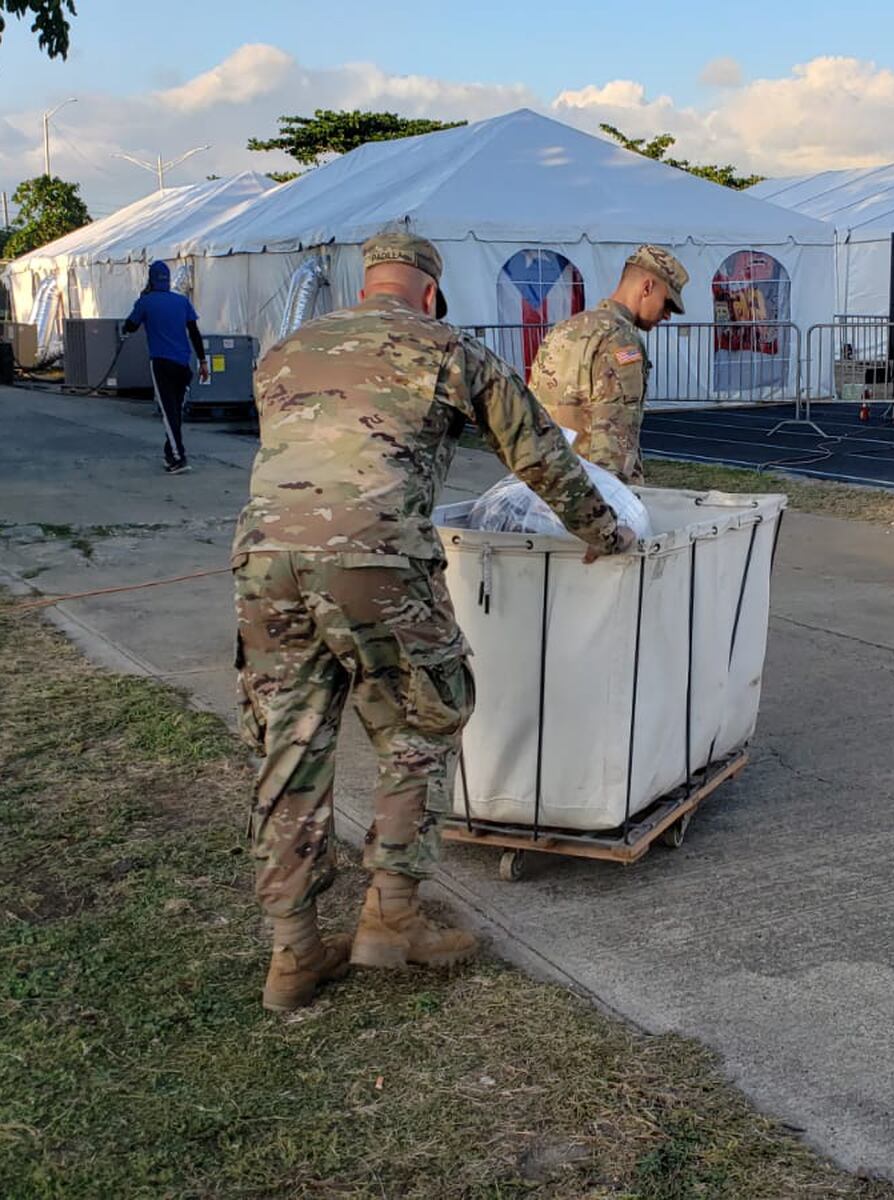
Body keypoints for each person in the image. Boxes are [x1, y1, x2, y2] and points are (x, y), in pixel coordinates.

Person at [232, 231, 635, 1012]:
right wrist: (606, 531)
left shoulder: (286, 349)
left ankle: (294, 953)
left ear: (366, 284)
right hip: (374, 557)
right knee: (425, 717)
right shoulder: (448, 347)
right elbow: (541, 455)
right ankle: (392, 917)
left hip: (262, 560)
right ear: (428, 293)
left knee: (290, 744)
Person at [528, 244, 689, 484]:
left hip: (547, 483)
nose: (666, 315)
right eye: (667, 303)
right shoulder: (620, 340)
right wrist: (614, 507)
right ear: (647, 287)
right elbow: (614, 444)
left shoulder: (563, 329)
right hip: (589, 497)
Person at [123, 260, 208, 474]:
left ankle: (179, 457)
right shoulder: (181, 302)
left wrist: (137, 309)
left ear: (150, 279)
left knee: (168, 411)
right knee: (176, 408)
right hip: (183, 362)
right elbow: (194, 332)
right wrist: (203, 360)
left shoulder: (146, 302)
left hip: (161, 362)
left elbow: (130, 326)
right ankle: (170, 453)